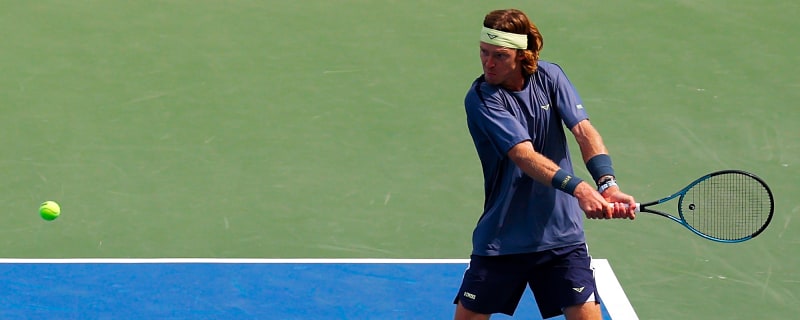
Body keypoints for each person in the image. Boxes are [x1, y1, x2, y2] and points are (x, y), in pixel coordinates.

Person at [453, 8, 638, 320]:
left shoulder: (551, 76)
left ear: (521, 55)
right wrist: (580, 189)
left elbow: (583, 131)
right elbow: (523, 156)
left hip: (562, 235)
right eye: (484, 53)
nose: (488, 63)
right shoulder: (482, 98)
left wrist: (607, 184)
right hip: (504, 237)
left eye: (499, 55)